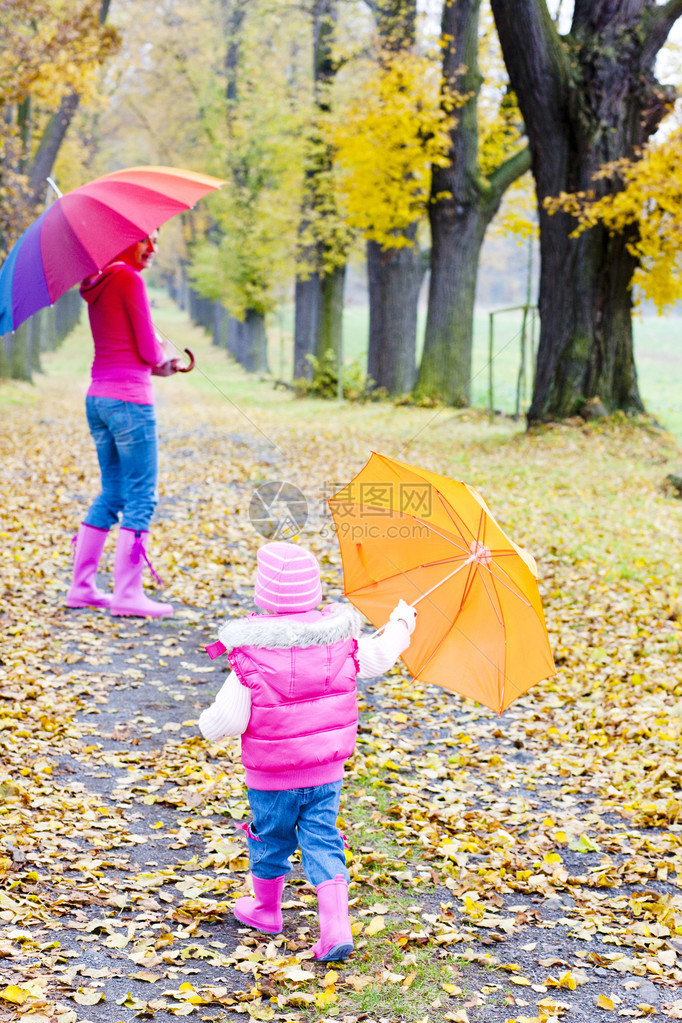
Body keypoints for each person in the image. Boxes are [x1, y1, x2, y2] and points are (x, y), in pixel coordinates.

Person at [197, 540, 417, 961]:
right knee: (322, 839)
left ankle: (265, 909)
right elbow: (383, 654)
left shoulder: (252, 655)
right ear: (314, 593)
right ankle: (335, 928)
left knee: (271, 838)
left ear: (263, 598)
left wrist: (208, 725)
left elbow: (224, 721)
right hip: (325, 774)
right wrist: (401, 623)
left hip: (271, 779)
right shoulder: (342, 646)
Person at [66, 230, 180, 617]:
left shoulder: (94, 283)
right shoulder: (128, 279)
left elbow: (124, 348)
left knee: (112, 493)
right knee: (141, 496)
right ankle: (128, 595)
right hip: (130, 401)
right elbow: (147, 352)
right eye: (144, 240)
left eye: (156, 242)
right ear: (119, 241)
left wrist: (157, 364)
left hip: (98, 398)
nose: (152, 249)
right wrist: (165, 357)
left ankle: (82, 588)